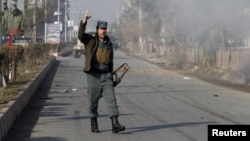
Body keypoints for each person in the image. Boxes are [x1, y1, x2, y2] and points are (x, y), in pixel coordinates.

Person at [78, 9, 125, 133]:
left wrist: (113, 76)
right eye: (101, 29)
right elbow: (80, 35)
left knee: (112, 100)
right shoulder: (90, 41)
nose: (103, 31)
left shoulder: (109, 44)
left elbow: (109, 61)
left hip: (106, 76)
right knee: (93, 101)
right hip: (93, 76)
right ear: (97, 30)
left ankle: (115, 124)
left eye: (105, 29)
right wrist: (84, 21)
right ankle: (94, 123)